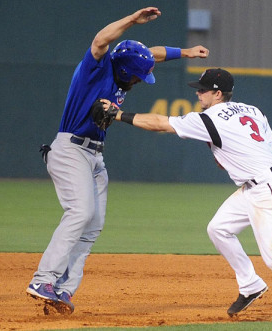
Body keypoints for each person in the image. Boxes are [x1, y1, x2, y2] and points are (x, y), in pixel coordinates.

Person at [104, 68, 272, 321]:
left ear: (217, 94)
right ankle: (251, 285)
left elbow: (160, 123)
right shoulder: (252, 110)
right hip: (258, 185)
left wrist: (117, 114)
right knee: (218, 229)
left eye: (203, 89)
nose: (198, 93)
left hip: (269, 190)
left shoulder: (209, 118)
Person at [26, 7, 209, 314]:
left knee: (93, 225)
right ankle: (42, 280)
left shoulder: (124, 69)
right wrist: (130, 21)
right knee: (80, 212)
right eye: (138, 77)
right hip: (71, 149)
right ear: (124, 71)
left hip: (95, 154)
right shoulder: (95, 70)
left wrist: (186, 52)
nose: (140, 81)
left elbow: (152, 54)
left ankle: (61, 291)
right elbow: (100, 41)